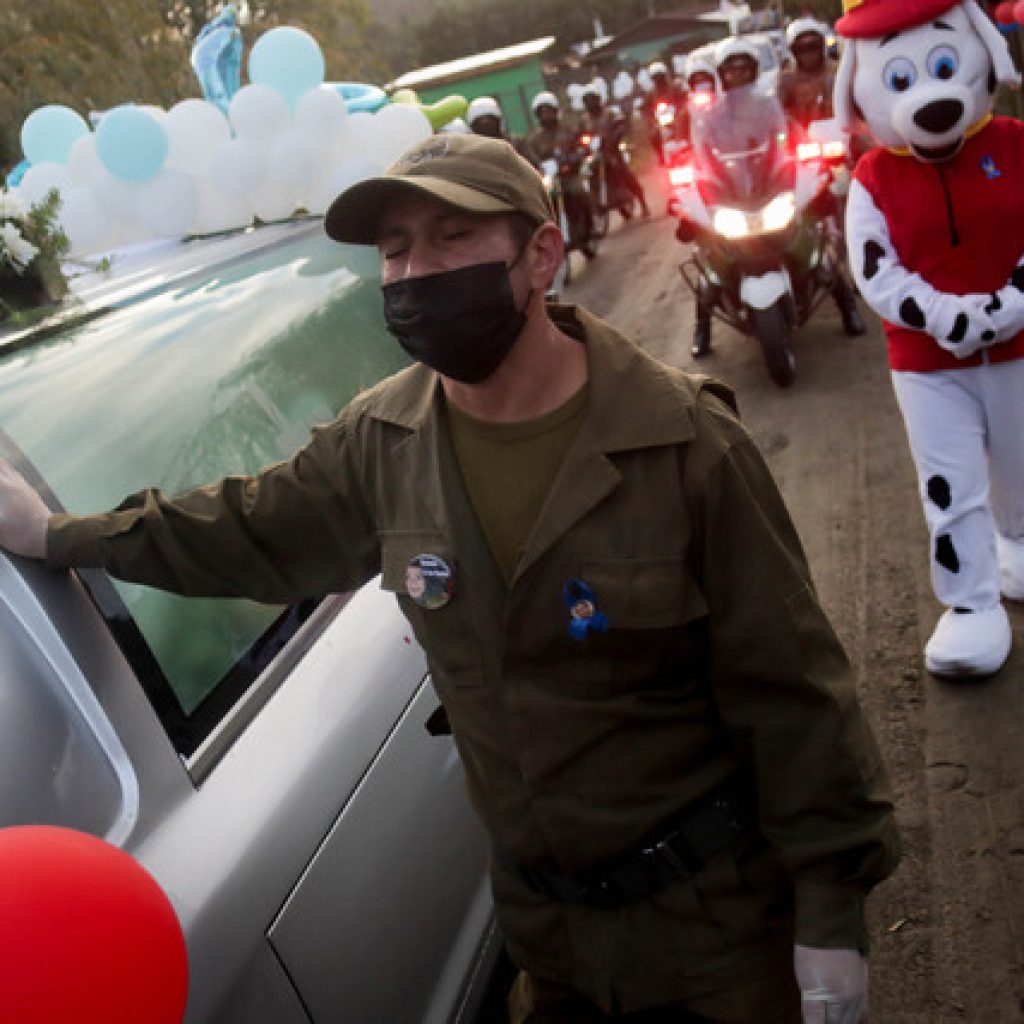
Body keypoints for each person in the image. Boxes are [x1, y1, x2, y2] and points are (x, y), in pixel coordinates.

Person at [0, 133, 899, 1024]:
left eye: (451, 238)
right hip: (548, 940)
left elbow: (794, 696)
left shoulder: (686, 446)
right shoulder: (382, 444)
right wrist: (58, 534)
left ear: (540, 253)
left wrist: (829, 913)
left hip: (713, 937)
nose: (415, 271)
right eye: (395, 250)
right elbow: (237, 529)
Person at [688, 36, 865, 358]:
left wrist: (807, 157)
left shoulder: (770, 102)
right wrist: (693, 179)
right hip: (733, 192)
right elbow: (701, 153)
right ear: (722, 74)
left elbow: (790, 132)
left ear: (754, 71)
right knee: (711, 266)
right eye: (731, 69)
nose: (737, 75)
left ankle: (848, 306)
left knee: (815, 244)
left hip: (771, 184)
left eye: (744, 68)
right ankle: (702, 329)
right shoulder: (712, 116)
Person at [524, 90, 597, 261]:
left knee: (579, 191)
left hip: (569, 176)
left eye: (548, 111)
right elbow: (532, 159)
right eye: (541, 112)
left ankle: (590, 225)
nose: (545, 115)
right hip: (549, 182)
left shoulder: (569, 130)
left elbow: (583, 147)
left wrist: (571, 160)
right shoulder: (534, 140)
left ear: (556, 111)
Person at [580, 84, 651, 218]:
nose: (590, 103)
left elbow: (621, 125)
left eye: (592, 99)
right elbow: (581, 135)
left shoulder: (610, 113)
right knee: (589, 172)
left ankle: (642, 201)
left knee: (622, 171)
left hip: (612, 150)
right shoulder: (585, 120)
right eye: (587, 100)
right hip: (596, 154)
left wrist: (613, 138)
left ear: (598, 99)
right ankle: (596, 204)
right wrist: (583, 145)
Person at [778, 19, 836, 131]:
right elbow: (777, 112)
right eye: (802, 49)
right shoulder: (786, 79)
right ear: (794, 51)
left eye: (813, 47)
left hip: (837, 136)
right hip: (800, 138)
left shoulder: (836, 71)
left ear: (821, 47)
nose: (809, 54)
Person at [640, 60, 686, 166]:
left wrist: (681, 111)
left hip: (678, 117)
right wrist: (652, 121)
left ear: (665, 75)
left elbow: (684, 99)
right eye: (656, 78)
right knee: (653, 135)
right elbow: (645, 109)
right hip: (660, 122)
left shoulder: (674, 88)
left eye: (660, 76)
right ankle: (661, 156)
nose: (659, 80)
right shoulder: (650, 94)